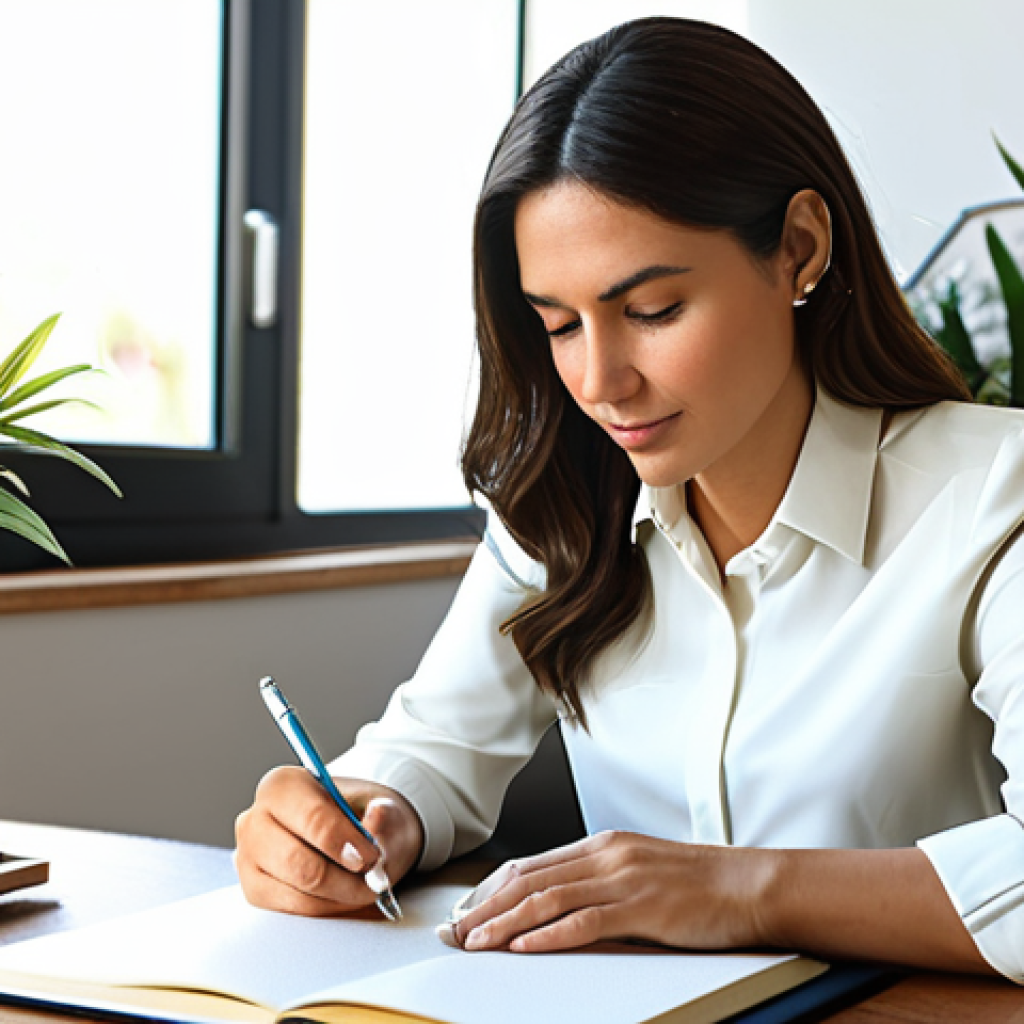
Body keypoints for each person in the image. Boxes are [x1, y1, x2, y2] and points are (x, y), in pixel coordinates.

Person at [234, 17, 1024, 982]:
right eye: (559, 325)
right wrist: (363, 819)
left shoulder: (995, 493)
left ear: (801, 250)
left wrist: (735, 889)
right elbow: (432, 748)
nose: (601, 381)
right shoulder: (564, 503)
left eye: (652, 311)